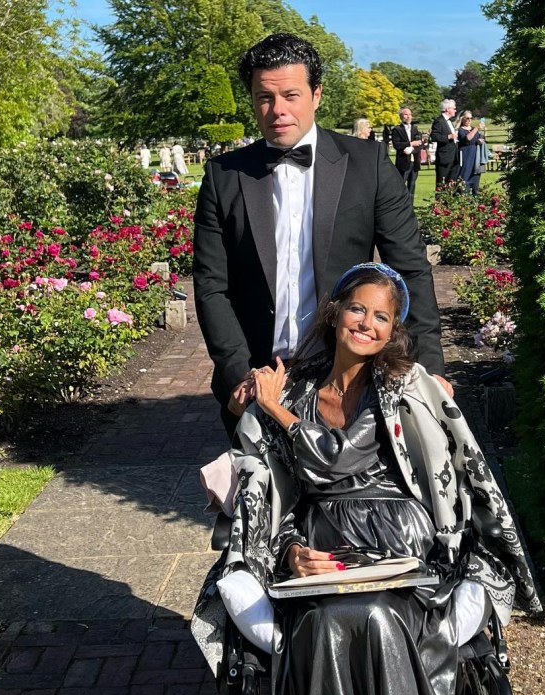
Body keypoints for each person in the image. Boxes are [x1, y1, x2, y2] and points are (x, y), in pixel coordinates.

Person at [191, 262, 542, 695]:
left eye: (381, 317)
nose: (367, 323)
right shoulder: (297, 383)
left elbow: (333, 461)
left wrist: (272, 408)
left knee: (380, 618)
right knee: (327, 627)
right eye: (358, 309)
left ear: (393, 330)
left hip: (396, 541)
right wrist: (289, 547)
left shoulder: (400, 386)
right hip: (323, 556)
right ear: (336, 311)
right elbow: (279, 488)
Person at [191, 33, 447, 432]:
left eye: (291, 95)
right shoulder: (223, 177)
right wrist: (238, 372)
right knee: (260, 495)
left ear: (317, 95)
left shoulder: (369, 164)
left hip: (351, 378)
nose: (277, 110)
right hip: (259, 382)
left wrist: (428, 368)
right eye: (264, 97)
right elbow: (211, 286)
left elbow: (410, 269)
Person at [390, 106, 423, 201]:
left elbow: (420, 144)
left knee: (412, 186)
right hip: (403, 162)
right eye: (406, 114)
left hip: (414, 162)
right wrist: (410, 144)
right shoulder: (397, 130)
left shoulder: (415, 129)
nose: (408, 116)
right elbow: (396, 145)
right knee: (401, 186)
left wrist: (412, 149)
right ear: (401, 116)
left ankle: (410, 208)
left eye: (410, 114)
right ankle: (399, 206)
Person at [430, 98, 459, 187]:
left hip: (453, 157)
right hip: (444, 158)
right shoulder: (439, 121)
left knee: (451, 184)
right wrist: (448, 137)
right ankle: (440, 201)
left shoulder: (449, 122)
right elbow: (434, 137)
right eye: (454, 108)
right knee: (442, 184)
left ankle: (449, 201)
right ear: (447, 109)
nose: (455, 110)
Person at [456, 112, 487, 195]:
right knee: (465, 177)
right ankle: (463, 196)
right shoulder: (460, 130)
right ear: (462, 119)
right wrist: (476, 128)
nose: (469, 120)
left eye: (471, 118)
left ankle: (475, 198)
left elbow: (477, 138)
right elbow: (467, 139)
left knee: (475, 177)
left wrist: (480, 140)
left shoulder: (473, 128)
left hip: (475, 157)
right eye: (467, 118)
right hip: (466, 156)